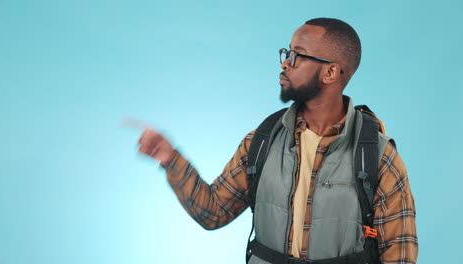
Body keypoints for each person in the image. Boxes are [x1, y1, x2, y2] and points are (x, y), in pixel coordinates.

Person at [137, 18, 418, 264]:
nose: (285, 63)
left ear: (331, 72)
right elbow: (213, 213)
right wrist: (170, 159)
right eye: (287, 52)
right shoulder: (261, 142)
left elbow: (400, 254)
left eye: (298, 55)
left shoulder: (377, 156)